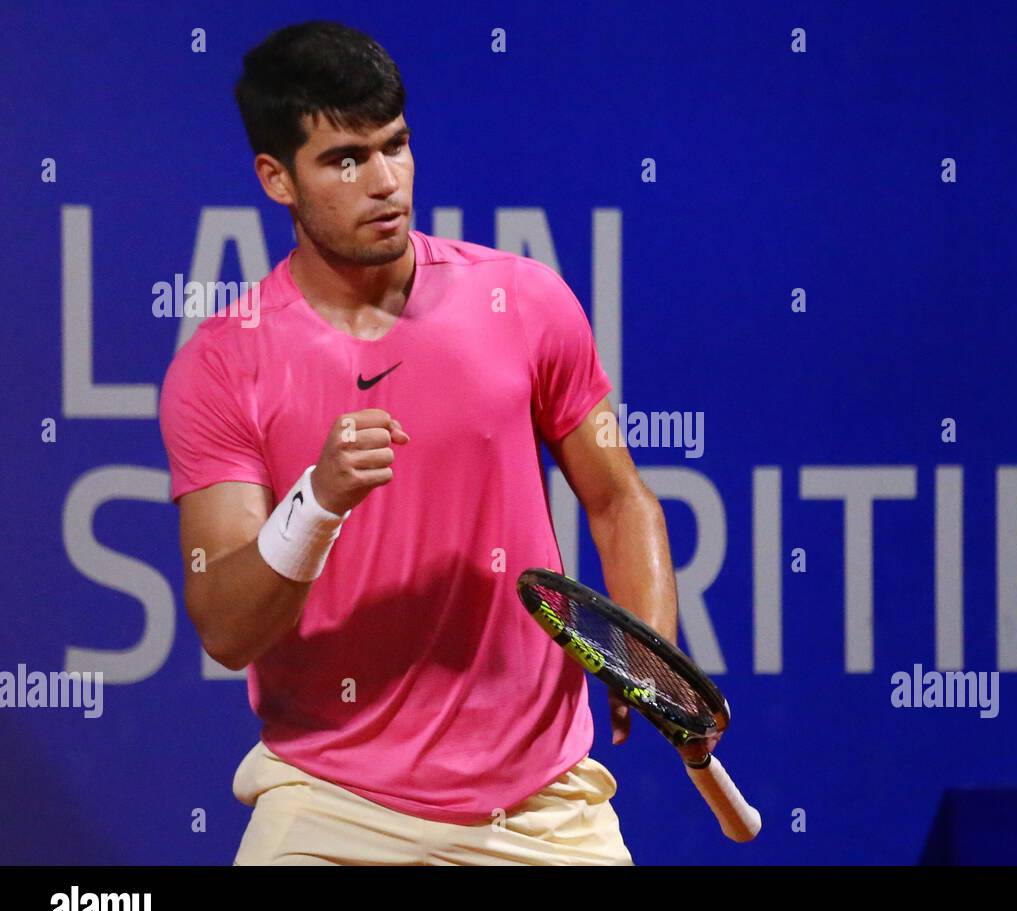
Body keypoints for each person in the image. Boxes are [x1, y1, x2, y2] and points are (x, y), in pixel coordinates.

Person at [159, 20, 679, 865]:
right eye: (346, 159)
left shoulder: (528, 302)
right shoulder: (221, 367)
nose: (386, 182)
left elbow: (620, 498)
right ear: (275, 179)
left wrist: (643, 656)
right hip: (332, 806)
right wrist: (317, 502)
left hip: (540, 805)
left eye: (396, 147)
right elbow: (225, 625)